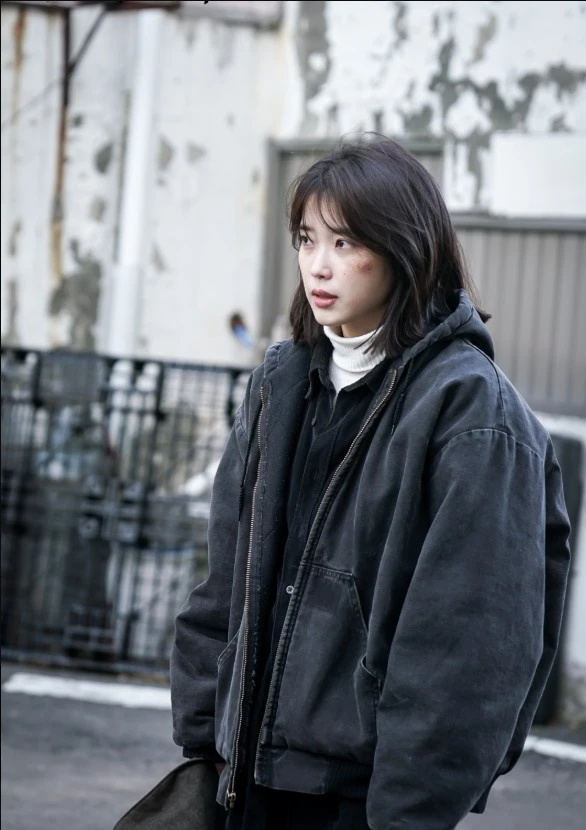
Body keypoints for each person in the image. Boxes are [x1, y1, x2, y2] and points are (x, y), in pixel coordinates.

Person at [170, 133, 571, 830]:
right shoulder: (280, 386)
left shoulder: (472, 415)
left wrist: (408, 813)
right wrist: (205, 744)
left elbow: (468, 649)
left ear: (403, 249)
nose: (318, 265)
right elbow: (227, 580)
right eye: (306, 239)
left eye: (346, 242)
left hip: (362, 799)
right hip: (246, 781)